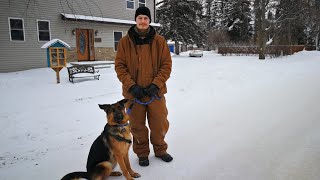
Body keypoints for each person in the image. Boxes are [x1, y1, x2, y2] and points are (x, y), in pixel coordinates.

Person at [115, 6, 173, 167]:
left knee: (159, 123)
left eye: (145, 18)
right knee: (136, 125)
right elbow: (120, 66)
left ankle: (160, 150)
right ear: (136, 20)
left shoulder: (160, 41)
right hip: (134, 94)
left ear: (149, 20)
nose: (142, 21)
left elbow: (166, 65)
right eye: (140, 18)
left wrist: (156, 84)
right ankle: (142, 153)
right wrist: (132, 87)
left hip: (156, 93)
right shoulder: (125, 42)